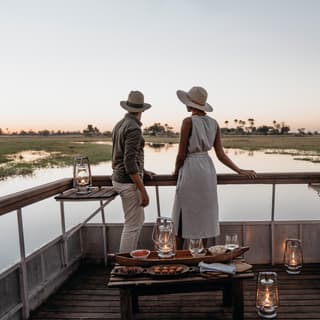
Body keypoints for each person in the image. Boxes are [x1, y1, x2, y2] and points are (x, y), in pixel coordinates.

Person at [171, 86, 256, 249]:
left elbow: (181, 154)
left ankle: (180, 257)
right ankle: (201, 256)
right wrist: (239, 170)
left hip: (190, 169)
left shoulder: (188, 122)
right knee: (204, 213)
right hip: (207, 170)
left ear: (190, 105)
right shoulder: (214, 123)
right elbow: (221, 154)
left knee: (182, 214)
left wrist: (175, 172)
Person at [111, 90, 154, 253]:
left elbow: (122, 156)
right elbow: (129, 163)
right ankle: (125, 266)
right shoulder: (134, 128)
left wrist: (143, 170)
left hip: (119, 178)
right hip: (128, 182)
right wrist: (143, 190)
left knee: (137, 222)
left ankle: (128, 262)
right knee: (132, 226)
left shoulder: (119, 124)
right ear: (141, 110)